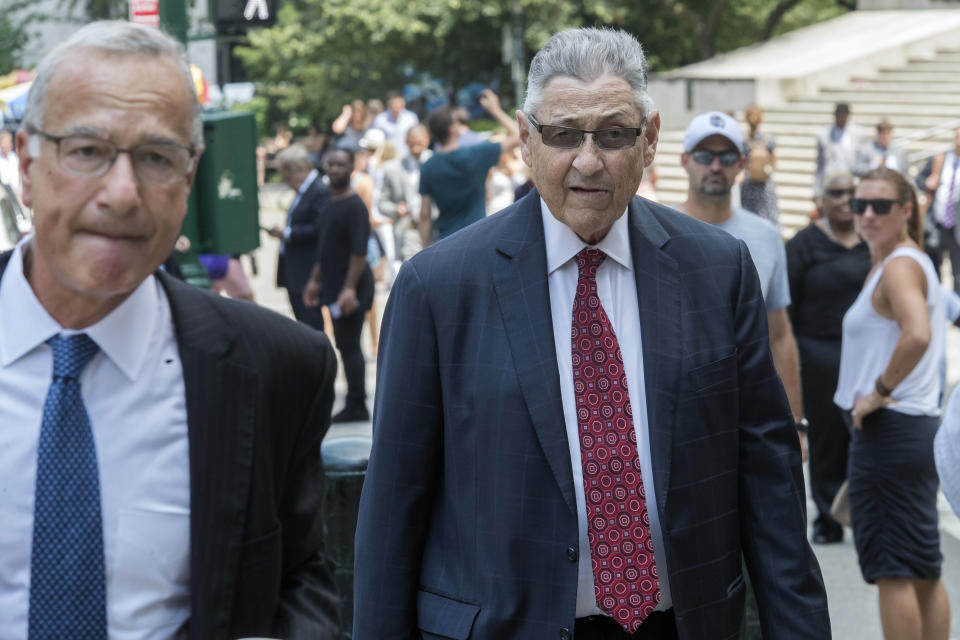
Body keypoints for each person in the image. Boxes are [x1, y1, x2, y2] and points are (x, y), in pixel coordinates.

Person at [354, 27, 829, 640]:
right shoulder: (438, 288)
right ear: (526, 140)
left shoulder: (718, 270)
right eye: (562, 134)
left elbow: (770, 488)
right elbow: (392, 510)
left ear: (650, 139)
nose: (587, 160)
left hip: (684, 623)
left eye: (612, 134)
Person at [2, 20, 339, 638]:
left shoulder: (278, 366)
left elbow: (299, 576)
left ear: (188, 180)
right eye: (87, 150)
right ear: (26, 162)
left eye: (157, 158)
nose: (124, 193)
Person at [834, 167, 950, 640]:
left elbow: (917, 333)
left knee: (893, 569)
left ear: (906, 210)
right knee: (922, 565)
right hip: (914, 430)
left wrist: (877, 392)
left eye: (880, 205)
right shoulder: (907, 260)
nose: (866, 214)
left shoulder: (900, 265)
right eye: (859, 204)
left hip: (890, 428)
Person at [785, 171, 871, 544]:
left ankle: (866, 514)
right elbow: (785, 309)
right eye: (837, 193)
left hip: (867, 356)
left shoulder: (872, 241)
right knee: (828, 439)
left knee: (868, 436)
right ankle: (828, 518)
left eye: (852, 193)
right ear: (821, 200)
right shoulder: (804, 245)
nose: (845, 199)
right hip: (819, 355)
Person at [303, 148, 374, 423]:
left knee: (350, 344)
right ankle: (354, 401)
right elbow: (326, 249)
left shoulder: (354, 205)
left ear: (351, 168)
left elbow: (359, 252)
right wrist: (314, 279)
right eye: (330, 164)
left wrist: (349, 288)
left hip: (351, 286)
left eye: (340, 165)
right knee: (344, 344)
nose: (334, 169)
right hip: (333, 284)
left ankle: (357, 404)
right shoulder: (330, 204)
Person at [418, 89, 519, 245]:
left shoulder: (428, 167)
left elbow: (425, 214)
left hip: (446, 241)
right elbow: (518, 135)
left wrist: (425, 250)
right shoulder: (476, 154)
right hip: (477, 239)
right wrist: (495, 110)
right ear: (452, 129)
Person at [267, 143, 329, 331]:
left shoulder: (319, 190)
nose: (286, 179)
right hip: (295, 269)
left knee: (311, 323)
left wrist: (287, 234)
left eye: (287, 174)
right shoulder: (302, 191)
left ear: (301, 169)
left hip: (307, 270)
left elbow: (319, 230)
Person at [915, 126, 960, 292]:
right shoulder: (940, 159)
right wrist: (927, 182)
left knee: (958, 276)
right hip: (936, 224)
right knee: (933, 270)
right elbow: (919, 178)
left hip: (957, 227)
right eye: (956, 136)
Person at [740, 104, 780, 225]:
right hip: (764, 184)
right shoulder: (768, 139)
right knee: (768, 216)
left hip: (749, 183)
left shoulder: (742, 140)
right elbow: (774, 162)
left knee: (749, 218)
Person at [815, 102, 862, 196]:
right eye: (839, 115)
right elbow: (820, 165)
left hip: (850, 183)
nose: (842, 118)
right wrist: (816, 191)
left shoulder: (858, 133)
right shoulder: (824, 135)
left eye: (844, 115)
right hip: (831, 182)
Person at [371, 91, 418, 157]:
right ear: (389, 103)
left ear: (403, 102)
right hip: (386, 157)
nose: (396, 105)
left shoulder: (411, 118)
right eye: (393, 103)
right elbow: (375, 138)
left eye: (398, 102)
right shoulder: (380, 119)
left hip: (406, 156)